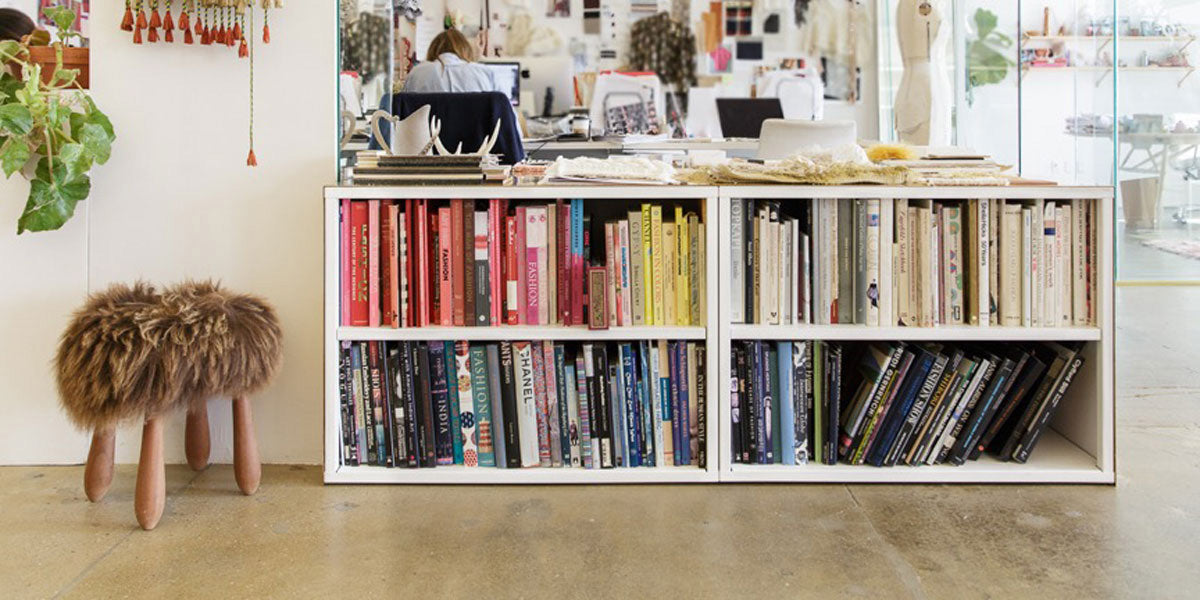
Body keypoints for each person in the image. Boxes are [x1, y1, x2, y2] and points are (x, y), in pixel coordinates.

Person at [402, 28, 498, 94]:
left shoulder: (417, 73)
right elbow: (506, 116)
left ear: (433, 49)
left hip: (429, 123)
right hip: (473, 124)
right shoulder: (484, 73)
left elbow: (403, 114)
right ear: (465, 49)